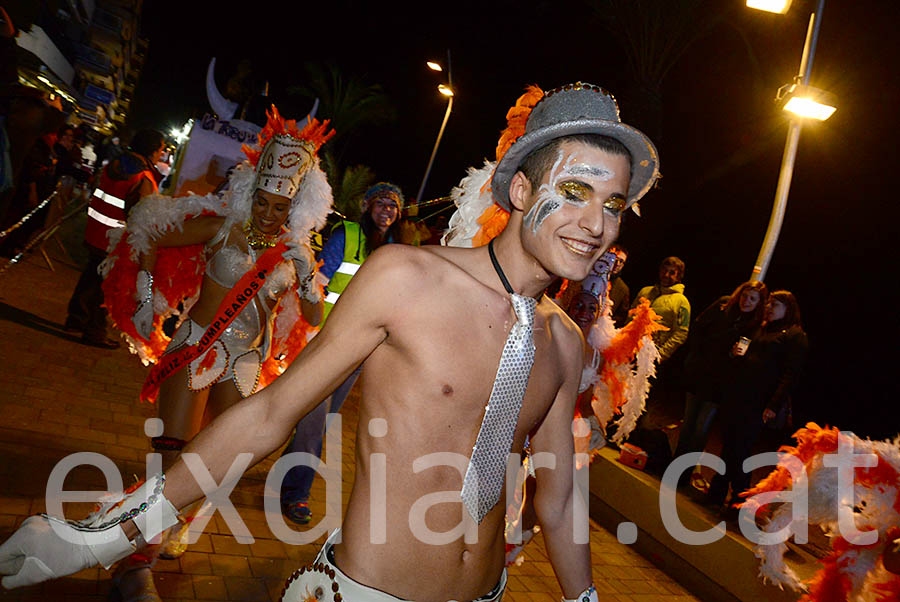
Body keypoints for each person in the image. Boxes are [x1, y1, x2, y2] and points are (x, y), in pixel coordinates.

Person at [0, 82, 660, 602]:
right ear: (520, 189)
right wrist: (101, 538)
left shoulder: (565, 341)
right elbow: (267, 415)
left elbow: (560, 496)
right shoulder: (408, 278)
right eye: (575, 192)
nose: (596, 223)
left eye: (613, 204)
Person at [97, 106, 333, 598]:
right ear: (252, 192)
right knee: (170, 457)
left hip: (246, 365)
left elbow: (313, 321)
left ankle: (180, 519)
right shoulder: (223, 227)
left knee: (222, 461)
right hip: (198, 348)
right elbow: (146, 231)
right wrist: (145, 295)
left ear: (296, 208)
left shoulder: (298, 253)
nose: (269, 215)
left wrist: (306, 272)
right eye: (263, 203)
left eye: (280, 208)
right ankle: (137, 564)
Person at [280, 181, 404, 525]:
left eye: (393, 206)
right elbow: (317, 283)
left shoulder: (395, 247)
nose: (387, 211)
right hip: (327, 343)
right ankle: (296, 493)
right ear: (366, 206)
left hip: (360, 350)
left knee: (319, 420)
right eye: (381, 203)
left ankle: (286, 473)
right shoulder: (346, 235)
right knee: (314, 421)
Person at [706, 290, 808, 516]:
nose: (770, 307)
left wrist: (773, 405)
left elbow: (791, 375)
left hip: (759, 402)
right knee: (729, 446)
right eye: (770, 303)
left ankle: (739, 502)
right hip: (738, 395)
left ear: (787, 309)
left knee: (740, 450)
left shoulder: (793, 335)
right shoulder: (761, 328)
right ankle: (717, 493)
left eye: (777, 305)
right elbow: (744, 354)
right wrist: (734, 356)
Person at [63, 129, 165, 348]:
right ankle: (95, 332)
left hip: (95, 232)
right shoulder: (143, 177)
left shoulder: (114, 165)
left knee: (91, 277)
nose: (161, 155)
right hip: (116, 241)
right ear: (152, 150)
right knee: (106, 289)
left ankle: (75, 319)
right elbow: (141, 216)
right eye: (160, 150)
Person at [674, 280, 768, 488]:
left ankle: (683, 473)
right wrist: (695, 357)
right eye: (745, 296)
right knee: (688, 423)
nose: (746, 301)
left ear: (759, 303)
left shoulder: (754, 325)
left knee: (701, 429)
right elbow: (699, 327)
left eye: (753, 299)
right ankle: (673, 467)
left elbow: (747, 357)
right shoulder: (724, 306)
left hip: (720, 384)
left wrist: (736, 355)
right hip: (700, 374)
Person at [607, 244, 630, 327]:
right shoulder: (588, 274)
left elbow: (620, 317)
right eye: (615, 259)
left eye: (621, 261)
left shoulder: (622, 289)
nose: (617, 263)